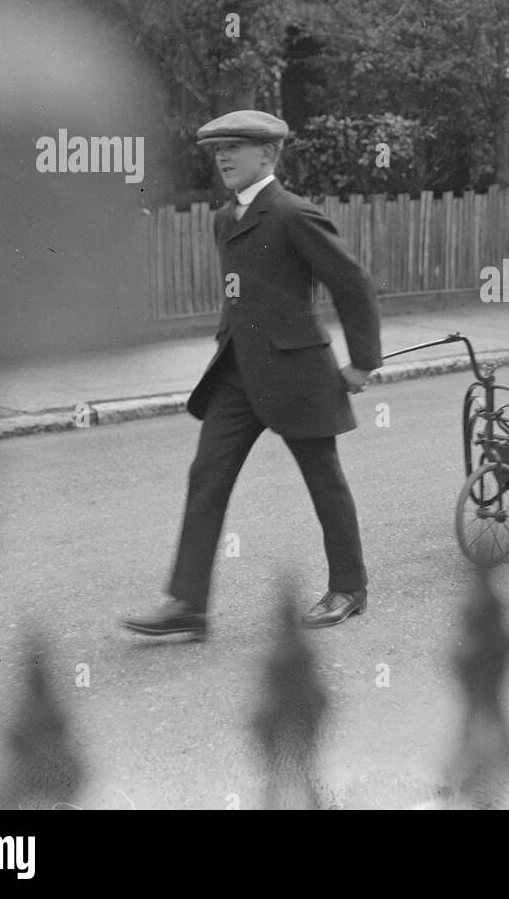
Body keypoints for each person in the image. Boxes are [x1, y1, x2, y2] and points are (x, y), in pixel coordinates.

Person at [121, 110, 382, 639]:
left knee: (324, 480)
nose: (222, 157)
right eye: (218, 149)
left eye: (235, 147)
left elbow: (351, 284)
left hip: (298, 372)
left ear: (268, 155)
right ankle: (188, 603)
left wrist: (361, 362)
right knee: (206, 476)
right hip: (237, 373)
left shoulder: (293, 214)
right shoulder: (225, 217)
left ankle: (349, 588)